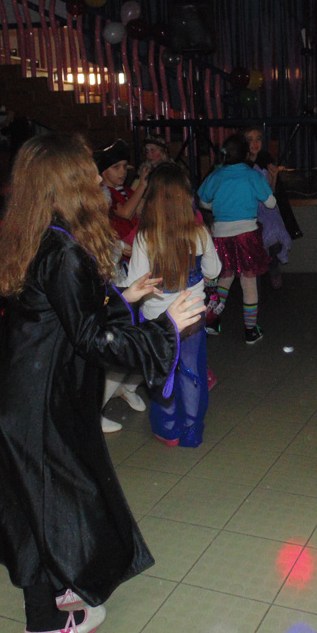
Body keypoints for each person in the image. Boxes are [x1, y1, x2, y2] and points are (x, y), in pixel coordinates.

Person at [0, 133, 204, 633]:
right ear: (69, 183)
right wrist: (165, 328)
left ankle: (61, 582)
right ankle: (43, 622)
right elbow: (93, 339)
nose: (96, 180)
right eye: (86, 172)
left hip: (25, 391)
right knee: (42, 500)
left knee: (45, 496)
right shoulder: (63, 250)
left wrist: (125, 296)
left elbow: (63, 316)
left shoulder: (39, 235)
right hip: (36, 401)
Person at [129, 164, 221, 447]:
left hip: (157, 320)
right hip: (192, 317)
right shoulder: (200, 234)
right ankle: (192, 429)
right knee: (192, 372)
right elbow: (214, 270)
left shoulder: (145, 238)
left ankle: (169, 429)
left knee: (162, 372)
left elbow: (135, 283)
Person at [198, 134, 275, 344]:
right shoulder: (252, 175)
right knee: (248, 283)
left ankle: (213, 321)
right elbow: (270, 203)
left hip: (220, 236)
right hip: (247, 236)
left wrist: (217, 205)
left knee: (224, 279)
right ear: (246, 154)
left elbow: (203, 202)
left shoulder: (216, 175)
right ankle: (250, 330)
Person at [244, 126, 292, 289]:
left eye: (258, 139)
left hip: (266, 206)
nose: (255, 143)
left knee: (273, 228)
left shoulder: (265, 160)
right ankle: (257, 274)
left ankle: (273, 267)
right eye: (250, 139)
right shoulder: (240, 164)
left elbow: (271, 192)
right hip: (248, 208)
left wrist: (274, 177)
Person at [95, 140, 149, 254]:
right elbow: (125, 213)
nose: (123, 171)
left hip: (136, 244)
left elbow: (142, 207)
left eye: (125, 166)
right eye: (116, 167)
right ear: (103, 171)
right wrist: (142, 185)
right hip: (120, 249)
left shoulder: (126, 190)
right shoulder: (103, 193)